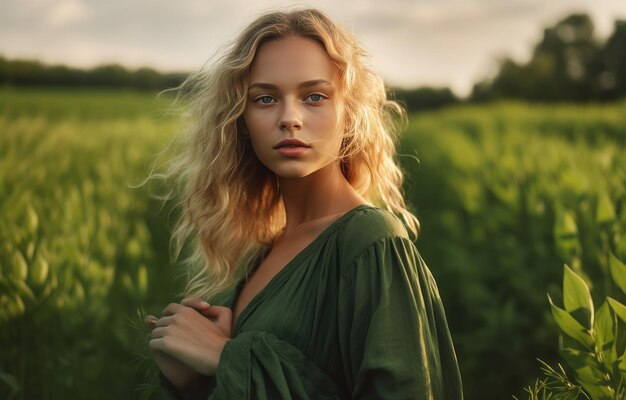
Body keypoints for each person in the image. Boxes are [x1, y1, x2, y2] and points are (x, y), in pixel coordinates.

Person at [145, 8, 463, 400]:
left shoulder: (372, 242)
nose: (289, 118)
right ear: (241, 120)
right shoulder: (262, 253)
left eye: (314, 97)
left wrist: (228, 358)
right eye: (265, 99)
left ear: (349, 115)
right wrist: (193, 381)